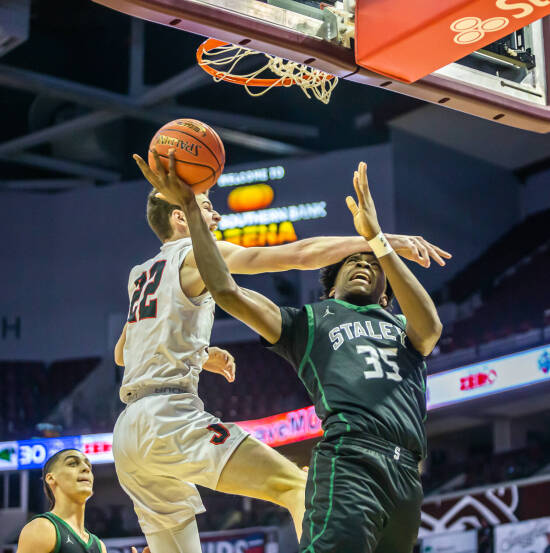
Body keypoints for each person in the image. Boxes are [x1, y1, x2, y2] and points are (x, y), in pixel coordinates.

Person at [112, 149, 450, 553]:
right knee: (300, 487)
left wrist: (199, 354)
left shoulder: (140, 274)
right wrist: (385, 242)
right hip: (168, 417)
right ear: (181, 217)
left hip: (128, 433)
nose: (217, 217)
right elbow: (297, 254)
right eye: (206, 206)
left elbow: (123, 354)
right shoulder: (196, 253)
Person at [16, 448, 148, 553]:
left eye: (88, 466)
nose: (86, 468)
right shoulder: (43, 528)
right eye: (72, 463)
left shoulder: (99, 545)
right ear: (51, 478)